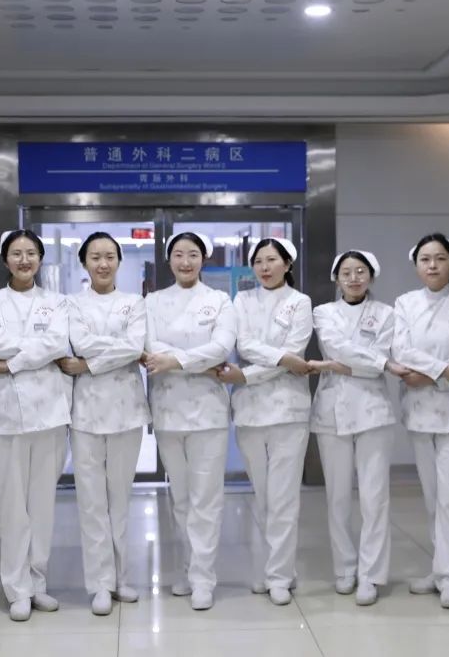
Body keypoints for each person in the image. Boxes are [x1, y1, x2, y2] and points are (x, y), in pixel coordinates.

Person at [0, 229, 71, 621]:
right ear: (5, 259)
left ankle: (38, 582)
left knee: (42, 506)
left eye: (31, 253)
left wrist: (15, 361)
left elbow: (58, 342)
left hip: (50, 413)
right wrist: (37, 350)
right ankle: (16, 588)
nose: (24, 260)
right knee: (12, 506)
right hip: (5, 417)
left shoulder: (57, 302)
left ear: (41, 258)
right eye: (16, 253)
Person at [214, 238, 312, 606]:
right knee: (265, 496)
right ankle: (278, 568)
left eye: (272, 260)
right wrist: (282, 359)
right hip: (251, 411)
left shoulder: (300, 302)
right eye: (259, 261)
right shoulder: (242, 300)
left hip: (289, 411)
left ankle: (279, 576)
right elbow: (246, 345)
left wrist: (248, 374)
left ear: (288, 264)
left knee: (284, 497)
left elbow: (297, 350)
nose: (265, 267)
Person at [392, 233, 449, 609]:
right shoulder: (406, 303)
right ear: (416, 265)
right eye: (425, 259)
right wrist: (445, 371)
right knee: (434, 497)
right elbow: (401, 350)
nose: (432, 265)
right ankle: (440, 568)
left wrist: (431, 374)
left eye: (440, 258)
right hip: (420, 411)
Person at [144, 231, 237, 611]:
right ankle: (187, 568)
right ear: (169, 260)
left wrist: (175, 360)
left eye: (193, 254)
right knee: (180, 498)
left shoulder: (219, 300)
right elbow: (150, 348)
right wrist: (195, 360)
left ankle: (203, 578)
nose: (186, 261)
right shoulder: (152, 301)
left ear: (204, 259)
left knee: (206, 499)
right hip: (168, 410)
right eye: (179, 254)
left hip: (209, 413)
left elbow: (222, 346)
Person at [309, 250, 407, 606]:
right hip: (331, 411)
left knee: (374, 497)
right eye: (346, 272)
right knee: (337, 497)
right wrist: (382, 364)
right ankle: (345, 568)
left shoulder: (388, 314)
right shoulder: (323, 312)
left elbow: (352, 356)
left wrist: (348, 364)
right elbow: (336, 347)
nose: (353, 278)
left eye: (360, 271)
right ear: (336, 278)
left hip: (373, 411)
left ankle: (371, 574)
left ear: (371, 276)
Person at [62, 232, 150, 616]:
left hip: (127, 410)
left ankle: (120, 578)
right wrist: (115, 350)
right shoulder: (71, 304)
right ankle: (99, 583)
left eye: (110, 256)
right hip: (85, 413)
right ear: (84, 262)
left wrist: (89, 363)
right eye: (95, 257)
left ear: (119, 261)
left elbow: (135, 347)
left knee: (120, 499)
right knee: (92, 502)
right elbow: (80, 342)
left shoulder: (134, 303)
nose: (103, 263)